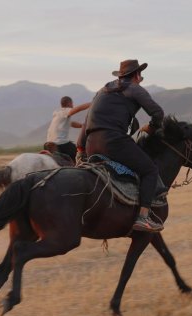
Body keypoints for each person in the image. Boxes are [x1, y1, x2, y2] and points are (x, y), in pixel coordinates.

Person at [77, 59, 165, 233]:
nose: (141, 78)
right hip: (113, 142)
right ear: (137, 75)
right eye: (140, 74)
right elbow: (158, 113)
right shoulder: (134, 89)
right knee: (150, 170)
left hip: (91, 145)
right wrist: (151, 128)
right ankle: (143, 217)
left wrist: (80, 149)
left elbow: (86, 122)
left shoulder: (102, 91)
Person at [46, 96, 91, 161]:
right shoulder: (65, 111)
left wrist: (83, 126)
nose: (73, 105)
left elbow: (72, 124)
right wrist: (92, 104)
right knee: (81, 153)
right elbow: (78, 109)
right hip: (60, 143)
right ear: (69, 103)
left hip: (48, 142)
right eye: (72, 103)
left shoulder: (57, 113)